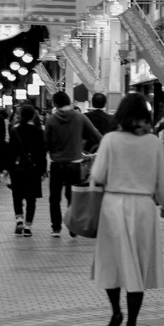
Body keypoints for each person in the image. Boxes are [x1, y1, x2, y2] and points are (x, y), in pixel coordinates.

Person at [90, 93, 164, 326]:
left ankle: (116, 311)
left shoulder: (110, 140)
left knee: (112, 262)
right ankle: (133, 323)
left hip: (113, 206)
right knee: (137, 265)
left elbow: (97, 174)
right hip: (143, 208)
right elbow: (163, 180)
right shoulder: (152, 143)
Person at [44, 91, 102, 237]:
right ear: (69, 101)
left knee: (55, 197)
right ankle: (73, 227)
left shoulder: (51, 120)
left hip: (57, 163)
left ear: (55, 104)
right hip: (75, 164)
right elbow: (96, 135)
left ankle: (56, 228)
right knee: (73, 196)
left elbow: (46, 143)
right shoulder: (80, 117)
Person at [10, 105, 47, 237]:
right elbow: (42, 152)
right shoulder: (38, 131)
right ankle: (28, 227)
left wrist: (8, 169)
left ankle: (19, 219)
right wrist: (43, 170)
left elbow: (11, 151)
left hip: (17, 168)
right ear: (33, 116)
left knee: (17, 195)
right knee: (31, 198)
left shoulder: (14, 130)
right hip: (33, 168)